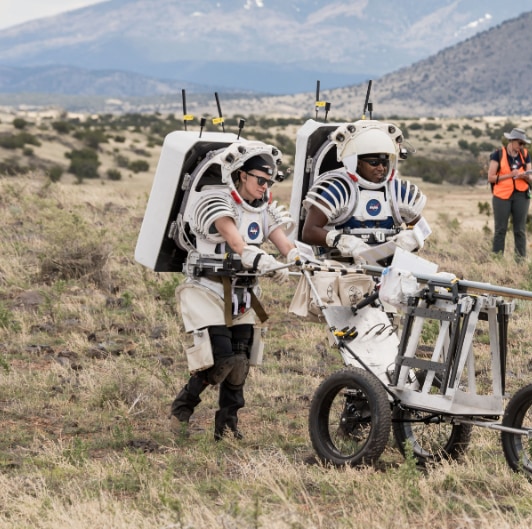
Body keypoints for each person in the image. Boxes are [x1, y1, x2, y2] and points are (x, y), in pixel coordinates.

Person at [170, 142, 298, 441]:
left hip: (244, 293)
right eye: (260, 180)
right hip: (207, 289)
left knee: (240, 362)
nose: (264, 187)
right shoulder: (216, 201)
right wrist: (258, 258)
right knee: (221, 358)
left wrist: (295, 259)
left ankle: (227, 426)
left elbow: (284, 244)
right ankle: (183, 406)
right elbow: (236, 242)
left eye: (269, 181)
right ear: (241, 175)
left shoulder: (264, 209)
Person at [300, 120, 427, 264]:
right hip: (342, 268)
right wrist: (341, 241)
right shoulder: (339, 189)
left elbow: (423, 228)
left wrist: (412, 238)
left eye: (384, 163)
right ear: (356, 162)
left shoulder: (397, 191)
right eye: (374, 163)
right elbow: (309, 231)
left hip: (388, 268)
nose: (381, 168)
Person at [487, 127, 532, 258]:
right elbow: (490, 177)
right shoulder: (498, 154)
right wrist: (509, 175)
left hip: (521, 195)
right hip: (502, 196)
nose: (522, 146)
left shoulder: (525, 154)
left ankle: (520, 262)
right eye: (520, 143)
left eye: (523, 144)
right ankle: (497, 260)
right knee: (500, 230)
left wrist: (524, 175)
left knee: (520, 230)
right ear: (512, 141)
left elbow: (531, 177)